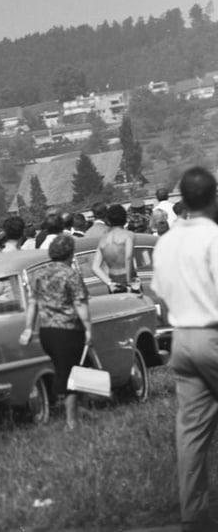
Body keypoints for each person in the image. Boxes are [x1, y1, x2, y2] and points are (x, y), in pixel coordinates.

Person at [151, 166, 218, 531]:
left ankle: (193, 513)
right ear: (213, 195)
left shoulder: (168, 241)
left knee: (190, 430)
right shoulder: (213, 237)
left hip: (181, 339)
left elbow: (159, 291)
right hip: (212, 333)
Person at [19, 235, 93, 430]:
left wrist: (28, 328)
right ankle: (71, 421)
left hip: (47, 331)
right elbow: (80, 303)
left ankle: (81, 408)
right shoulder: (71, 274)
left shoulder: (39, 275)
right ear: (70, 253)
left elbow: (33, 304)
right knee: (70, 374)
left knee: (70, 368)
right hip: (68, 329)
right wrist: (89, 329)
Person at [91, 204, 136, 293]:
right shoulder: (128, 235)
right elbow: (128, 257)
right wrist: (129, 283)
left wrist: (109, 282)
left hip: (113, 278)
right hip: (128, 276)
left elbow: (95, 267)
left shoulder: (103, 240)